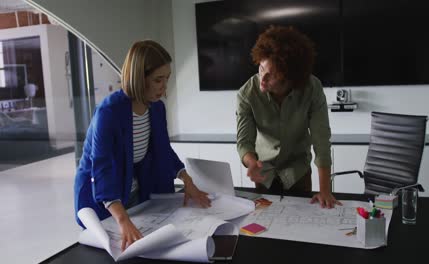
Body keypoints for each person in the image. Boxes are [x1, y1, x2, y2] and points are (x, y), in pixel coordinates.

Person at [74, 40, 211, 251]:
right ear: (139, 78)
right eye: (158, 79)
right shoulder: (108, 113)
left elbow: (163, 150)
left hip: (133, 187)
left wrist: (187, 180)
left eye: (167, 78)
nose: (165, 86)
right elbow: (102, 170)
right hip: (101, 195)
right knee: (114, 247)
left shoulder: (157, 108)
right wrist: (122, 219)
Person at [236, 25, 342, 208]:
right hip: (264, 172)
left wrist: (325, 189)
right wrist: (251, 162)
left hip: (298, 172)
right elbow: (244, 141)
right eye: (261, 68)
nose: (262, 79)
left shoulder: (312, 88)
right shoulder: (247, 93)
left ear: (289, 76)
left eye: (271, 75)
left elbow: (321, 140)